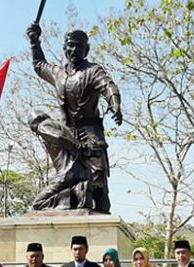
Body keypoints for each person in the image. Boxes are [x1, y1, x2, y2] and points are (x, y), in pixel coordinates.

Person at [26, 23, 122, 213]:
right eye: (70, 45)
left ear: (86, 49)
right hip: (67, 133)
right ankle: (73, 198)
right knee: (67, 175)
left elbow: (108, 86)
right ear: (64, 48)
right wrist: (34, 43)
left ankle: (98, 209)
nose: (74, 50)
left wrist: (115, 103)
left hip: (90, 132)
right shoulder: (58, 73)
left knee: (99, 177)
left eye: (79, 46)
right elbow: (39, 65)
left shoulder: (93, 71)